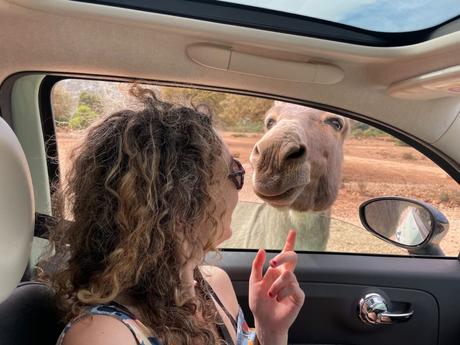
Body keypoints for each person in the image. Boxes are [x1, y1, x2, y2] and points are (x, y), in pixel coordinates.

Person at [40, 86, 305, 345]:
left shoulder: (214, 286)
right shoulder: (104, 336)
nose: (240, 187)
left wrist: (270, 331)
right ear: (184, 205)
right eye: (235, 174)